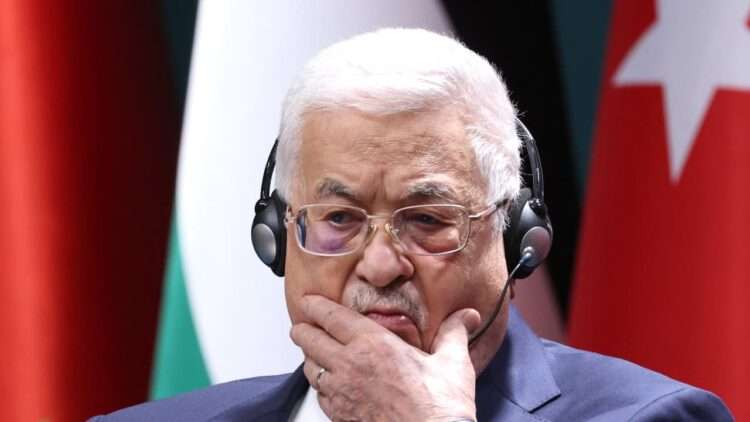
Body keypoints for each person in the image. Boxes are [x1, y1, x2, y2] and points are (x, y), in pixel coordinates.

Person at [92, 28, 733, 421]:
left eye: (427, 219)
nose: (379, 265)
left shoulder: (656, 417)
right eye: (338, 218)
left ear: (518, 241)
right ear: (278, 239)